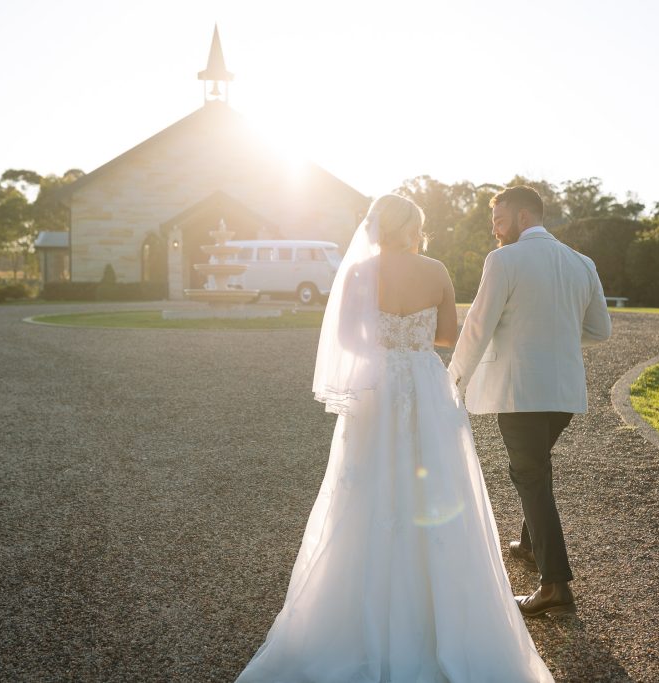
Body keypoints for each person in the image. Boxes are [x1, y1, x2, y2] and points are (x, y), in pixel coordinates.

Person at [237, 194, 553, 682]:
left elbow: (344, 340)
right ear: (412, 228)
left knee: (364, 488)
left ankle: (356, 619)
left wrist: (382, 340)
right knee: (439, 488)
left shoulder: (360, 272)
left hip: (377, 389)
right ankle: (442, 617)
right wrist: (414, 335)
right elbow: (448, 335)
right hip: (427, 386)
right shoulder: (437, 271)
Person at [448, 185, 612, 617]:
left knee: (529, 474)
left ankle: (555, 586)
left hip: (521, 392)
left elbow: (478, 327)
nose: (495, 231)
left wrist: (452, 381)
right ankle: (528, 543)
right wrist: (552, 332)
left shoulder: (504, 260)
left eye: (499, 221)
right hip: (564, 395)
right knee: (535, 467)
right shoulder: (583, 262)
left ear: (523, 217)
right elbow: (600, 330)